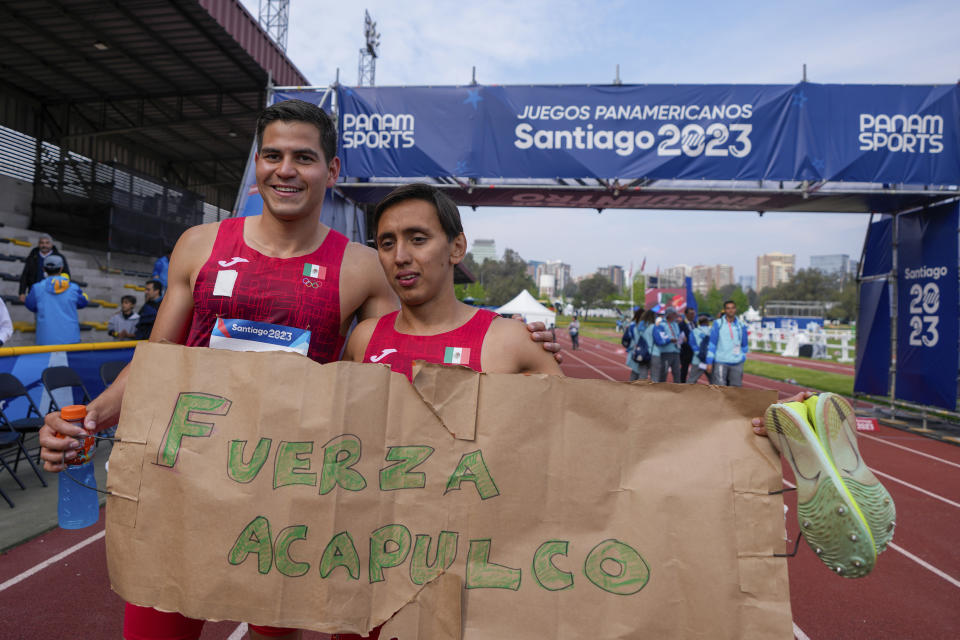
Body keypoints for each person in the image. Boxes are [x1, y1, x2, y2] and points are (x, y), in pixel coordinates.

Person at [38, 99, 558, 640]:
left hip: (285, 498)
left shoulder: (362, 267)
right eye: (273, 155)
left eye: (304, 157)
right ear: (258, 165)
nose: (286, 170)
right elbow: (155, 357)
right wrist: (92, 418)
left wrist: (509, 338)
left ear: (331, 172)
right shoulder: (200, 245)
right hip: (181, 485)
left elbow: (405, 356)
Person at [345, 183, 561, 382]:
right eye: (388, 243)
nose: (400, 257)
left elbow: (566, 418)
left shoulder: (511, 341)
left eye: (418, 239)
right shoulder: (363, 339)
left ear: (457, 247)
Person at [24, 255, 88, 345]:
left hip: (45, 339)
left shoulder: (37, 288)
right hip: (71, 339)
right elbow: (83, 303)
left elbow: (30, 305)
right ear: (61, 269)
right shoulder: (73, 288)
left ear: (44, 269)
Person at [706, 299, 749, 387]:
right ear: (725, 310)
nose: (731, 310)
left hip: (737, 362)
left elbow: (744, 344)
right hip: (721, 361)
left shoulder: (741, 325)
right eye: (728, 308)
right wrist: (709, 361)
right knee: (721, 388)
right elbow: (712, 343)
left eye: (733, 308)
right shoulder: (718, 323)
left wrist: (743, 356)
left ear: (735, 309)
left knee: (736, 389)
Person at [18, 232, 70, 302]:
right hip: (36, 292)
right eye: (42, 243)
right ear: (38, 244)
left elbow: (66, 274)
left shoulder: (59, 257)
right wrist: (22, 292)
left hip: (54, 293)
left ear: (51, 244)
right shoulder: (32, 257)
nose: (44, 245)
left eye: (47, 243)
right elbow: (25, 275)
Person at [651, 306, 682, 382]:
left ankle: (677, 390)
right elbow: (659, 338)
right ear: (669, 314)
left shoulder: (675, 324)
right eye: (674, 314)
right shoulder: (661, 324)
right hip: (666, 352)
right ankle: (661, 390)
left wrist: (681, 338)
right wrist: (670, 340)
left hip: (676, 351)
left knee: (677, 373)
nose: (676, 315)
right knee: (663, 373)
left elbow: (677, 335)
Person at [625, 308, 654, 381]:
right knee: (639, 372)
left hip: (639, 351)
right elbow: (631, 338)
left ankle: (632, 388)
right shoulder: (636, 326)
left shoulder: (639, 326)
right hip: (640, 351)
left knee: (637, 372)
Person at [686, 315, 712, 384]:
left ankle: (687, 394)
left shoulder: (694, 331)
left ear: (699, 323)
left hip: (697, 360)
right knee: (715, 382)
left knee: (691, 381)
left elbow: (692, 345)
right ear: (707, 322)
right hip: (710, 361)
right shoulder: (712, 331)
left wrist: (700, 356)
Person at [678, 307, 696, 382]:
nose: (693, 315)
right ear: (686, 314)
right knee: (684, 370)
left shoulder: (695, 323)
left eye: (693, 314)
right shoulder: (681, 324)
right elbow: (681, 338)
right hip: (685, 351)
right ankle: (682, 385)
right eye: (691, 314)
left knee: (695, 370)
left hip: (694, 351)